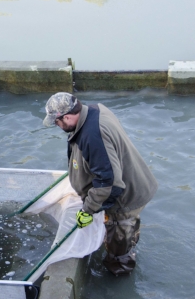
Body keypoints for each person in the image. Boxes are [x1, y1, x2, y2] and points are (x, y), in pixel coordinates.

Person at [43, 92, 158, 275]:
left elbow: (109, 182)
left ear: (67, 116)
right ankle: (129, 240)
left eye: (57, 122)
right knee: (126, 231)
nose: (57, 125)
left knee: (118, 247)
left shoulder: (92, 136)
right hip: (136, 182)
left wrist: (88, 210)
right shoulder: (95, 109)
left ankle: (119, 274)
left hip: (124, 200)